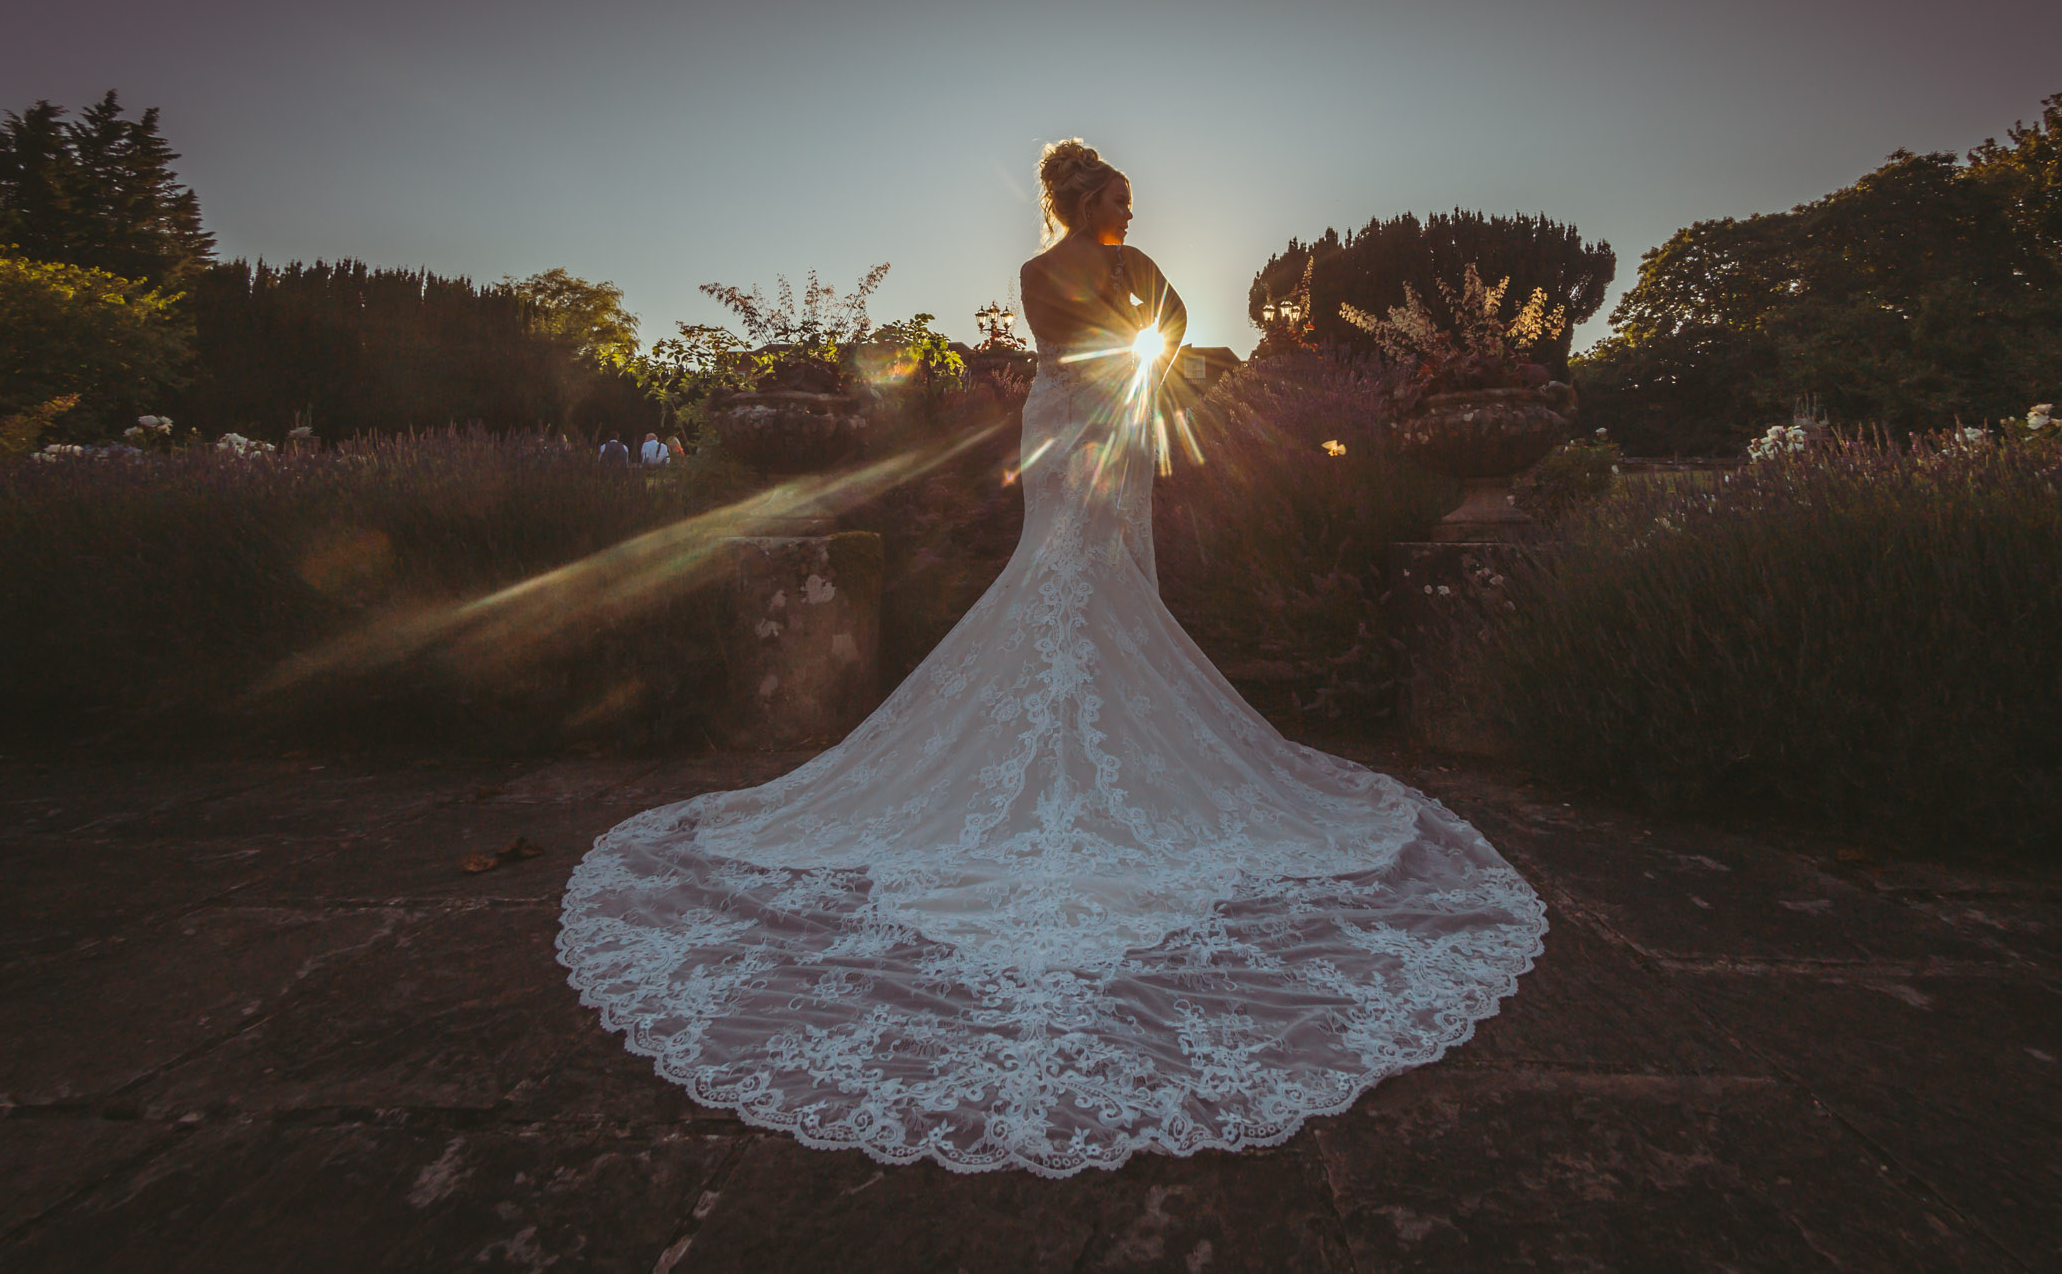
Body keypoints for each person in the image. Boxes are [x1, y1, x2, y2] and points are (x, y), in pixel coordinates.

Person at [557, 139, 1545, 1178]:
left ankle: (1107, 725)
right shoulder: (1074, 268)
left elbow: (1150, 332)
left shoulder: (1099, 266)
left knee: (1100, 568)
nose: (1131, 204)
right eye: (1120, 194)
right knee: (1067, 565)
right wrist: (1134, 343)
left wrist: (1133, 350)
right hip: (1080, 416)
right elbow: (1142, 333)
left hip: (1104, 412)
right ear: (1089, 198)